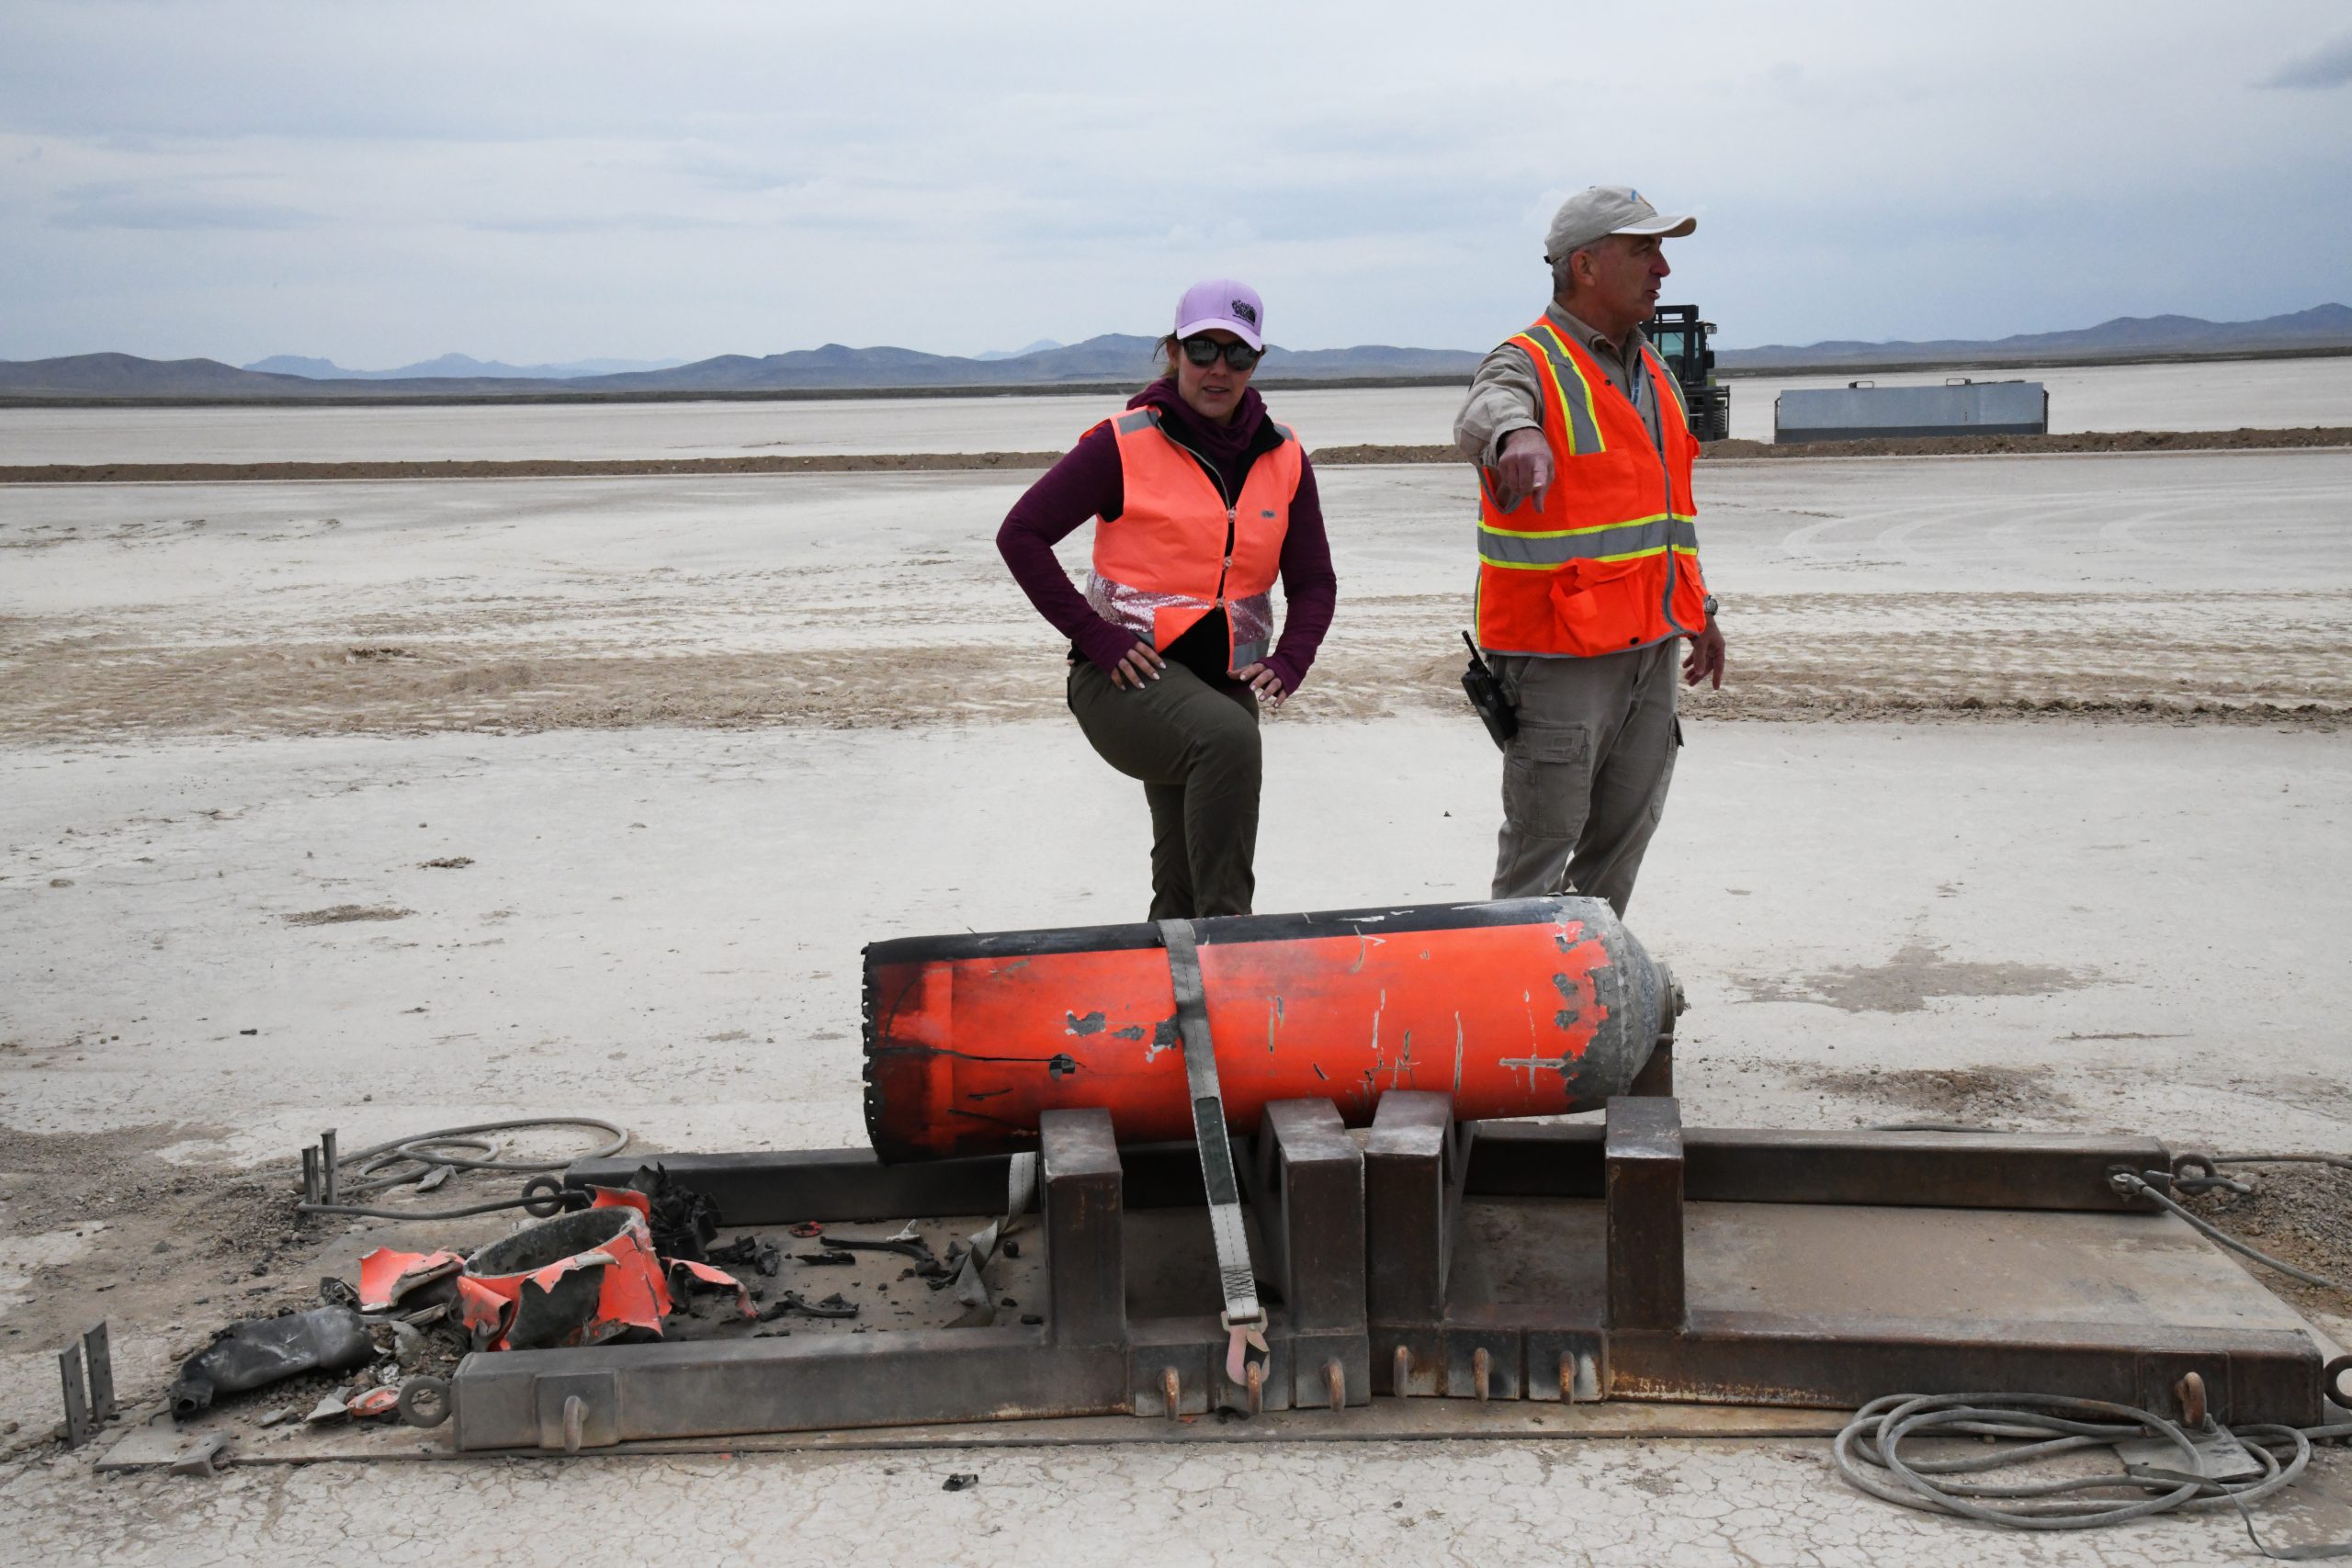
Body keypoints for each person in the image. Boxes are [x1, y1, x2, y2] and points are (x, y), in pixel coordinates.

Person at [997, 279, 1337, 919]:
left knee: (1182, 871)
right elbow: (1020, 534)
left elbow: (1314, 579)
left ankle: (1174, 960)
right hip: (1124, 680)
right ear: (1174, 352)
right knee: (1228, 742)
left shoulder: (1285, 454)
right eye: (1203, 349)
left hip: (1223, 682)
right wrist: (1097, 637)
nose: (1219, 368)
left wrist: (1293, 657)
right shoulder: (1121, 445)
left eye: (1238, 354)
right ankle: (1229, 939)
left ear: (1257, 361)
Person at [1453, 186, 1727, 917]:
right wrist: (1516, 433)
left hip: (1652, 648)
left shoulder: (1656, 374)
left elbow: (1669, 517)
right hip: (1559, 658)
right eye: (1644, 250)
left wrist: (1702, 610)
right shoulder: (1528, 361)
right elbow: (1486, 407)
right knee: (1539, 856)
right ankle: (1516, 989)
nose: (1663, 268)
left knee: (1619, 849)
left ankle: (1583, 981)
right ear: (1585, 266)